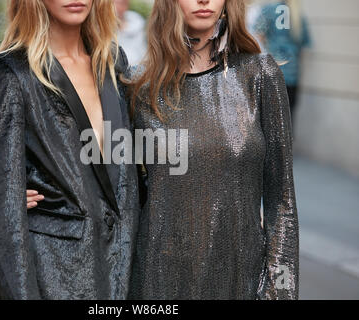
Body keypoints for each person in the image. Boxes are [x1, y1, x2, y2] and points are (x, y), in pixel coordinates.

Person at [28, 0, 299, 300]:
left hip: (239, 280)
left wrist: (279, 292)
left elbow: (282, 202)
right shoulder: (140, 87)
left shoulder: (259, 76)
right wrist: (30, 185)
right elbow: (108, 179)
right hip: (155, 282)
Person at [0, 0, 141, 300]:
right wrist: (10, 194)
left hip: (119, 275)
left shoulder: (114, 64)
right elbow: (3, 213)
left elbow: (123, 179)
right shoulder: (9, 74)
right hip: (50, 276)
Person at [253, 0, 311, 122]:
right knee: (287, 122)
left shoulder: (268, 10)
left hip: (272, 73)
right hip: (293, 75)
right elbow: (303, 45)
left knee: (270, 123)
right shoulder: (298, 15)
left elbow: (257, 35)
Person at [114, 0, 147, 65]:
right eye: (116, 3)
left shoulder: (137, 23)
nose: (118, 7)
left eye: (123, 4)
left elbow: (144, 53)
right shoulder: (102, 28)